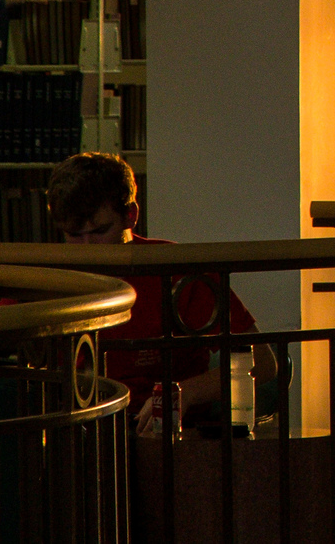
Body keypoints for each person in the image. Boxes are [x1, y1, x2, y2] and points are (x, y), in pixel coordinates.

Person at [48, 152, 274, 433]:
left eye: (99, 231)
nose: (87, 247)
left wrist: (185, 393)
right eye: (72, 235)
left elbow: (263, 362)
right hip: (73, 429)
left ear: (131, 215)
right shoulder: (47, 272)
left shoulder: (177, 269)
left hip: (169, 432)